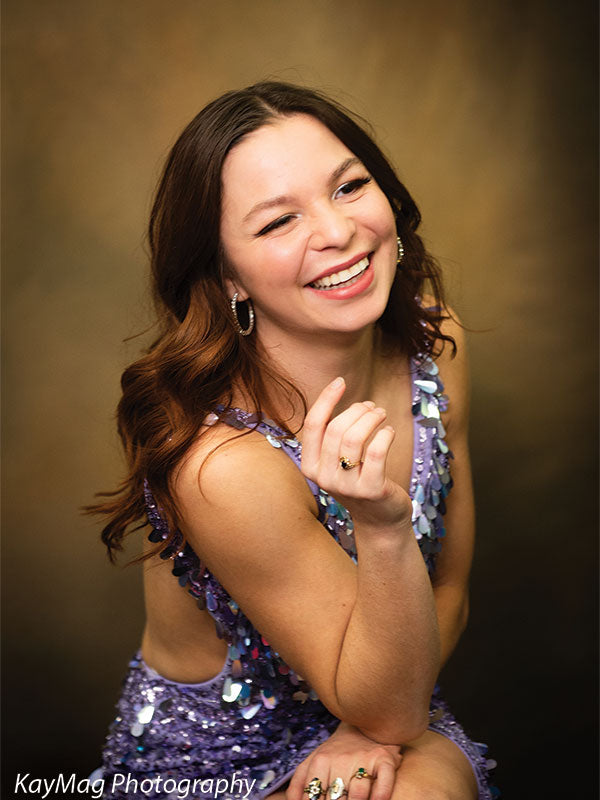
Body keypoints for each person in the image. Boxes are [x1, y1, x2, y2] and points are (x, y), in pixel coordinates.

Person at [91, 82, 498, 800]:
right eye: (279, 221)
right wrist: (382, 528)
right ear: (228, 277)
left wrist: (368, 720)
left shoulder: (436, 345)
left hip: (386, 699)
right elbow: (391, 707)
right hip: (214, 766)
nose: (336, 231)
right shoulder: (222, 464)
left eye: (350, 186)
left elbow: (452, 590)